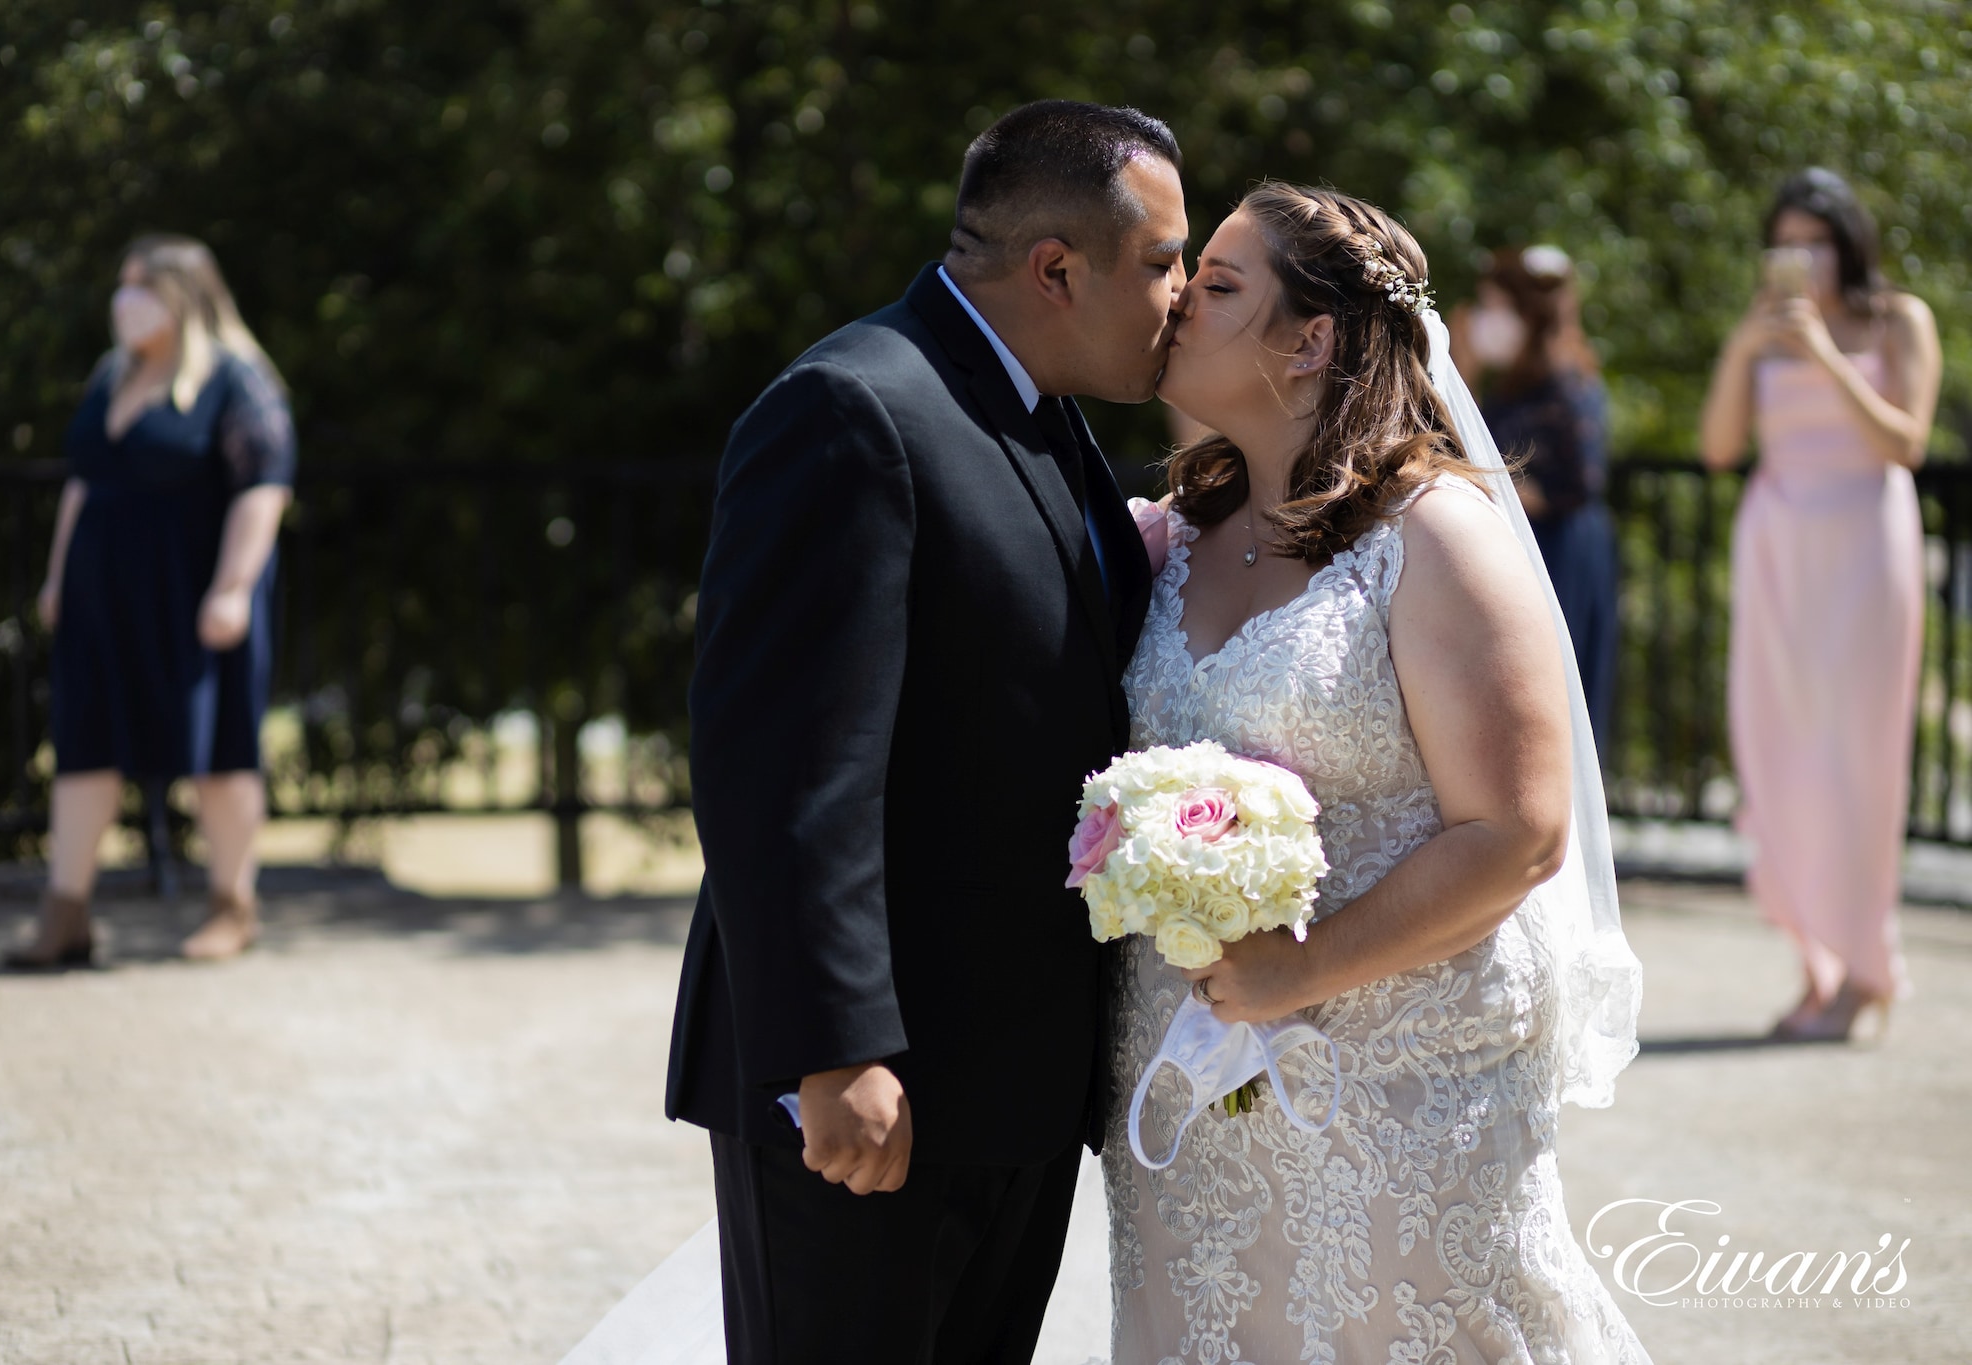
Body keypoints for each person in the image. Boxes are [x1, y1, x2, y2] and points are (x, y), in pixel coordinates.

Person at [663, 101, 1184, 1364]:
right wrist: (831, 1050)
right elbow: (784, 764)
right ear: (1058, 269)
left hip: (1007, 1079)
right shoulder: (851, 409)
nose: (1180, 296)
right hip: (872, 1085)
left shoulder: (1043, 411)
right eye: (1163, 262)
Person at [1110, 184, 1647, 1362]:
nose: (1177, 302)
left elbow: (1516, 833)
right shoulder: (1170, 538)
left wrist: (1296, 971)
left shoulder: (1432, 536)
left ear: (1309, 341)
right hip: (1190, 1090)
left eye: (1218, 284)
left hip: (1399, 1095)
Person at [7, 235, 295, 969]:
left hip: (192, 590)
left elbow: (262, 487)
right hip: (102, 593)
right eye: (123, 285)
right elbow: (84, 483)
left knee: (219, 749)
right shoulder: (113, 375)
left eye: (143, 287)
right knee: (84, 741)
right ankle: (65, 912)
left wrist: (231, 587)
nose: (125, 301)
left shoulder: (236, 380)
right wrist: (56, 577)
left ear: (185, 297)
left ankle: (234, 903)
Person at [1699, 167, 1940, 1042]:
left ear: (1847, 244)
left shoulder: (1898, 319)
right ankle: (1818, 965)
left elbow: (1906, 440)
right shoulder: (1763, 335)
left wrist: (1828, 357)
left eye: (1817, 241)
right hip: (1778, 546)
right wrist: (1742, 346)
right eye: (1788, 242)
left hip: (1864, 547)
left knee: (1857, 761)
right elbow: (1719, 447)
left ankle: (1866, 968)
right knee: (1782, 752)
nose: (1803, 257)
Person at [1455, 244, 1617, 756]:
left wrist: (1495, 486)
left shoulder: (1566, 385)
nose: (1484, 319)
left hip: (1560, 550)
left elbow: (1577, 485)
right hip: (1522, 544)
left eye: (1494, 306)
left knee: (1554, 692)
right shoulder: (1511, 384)